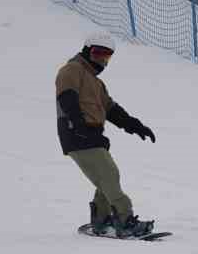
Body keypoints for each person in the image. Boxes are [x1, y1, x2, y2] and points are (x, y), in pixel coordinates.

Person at [55, 33, 157, 237]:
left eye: (106, 56)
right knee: (109, 174)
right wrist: (79, 126)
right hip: (76, 133)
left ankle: (101, 219)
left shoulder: (96, 82)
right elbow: (67, 98)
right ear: (87, 51)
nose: (101, 60)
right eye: (97, 53)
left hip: (92, 134)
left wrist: (136, 126)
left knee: (106, 177)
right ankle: (125, 220)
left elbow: (111, 110)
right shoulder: (72, 70)